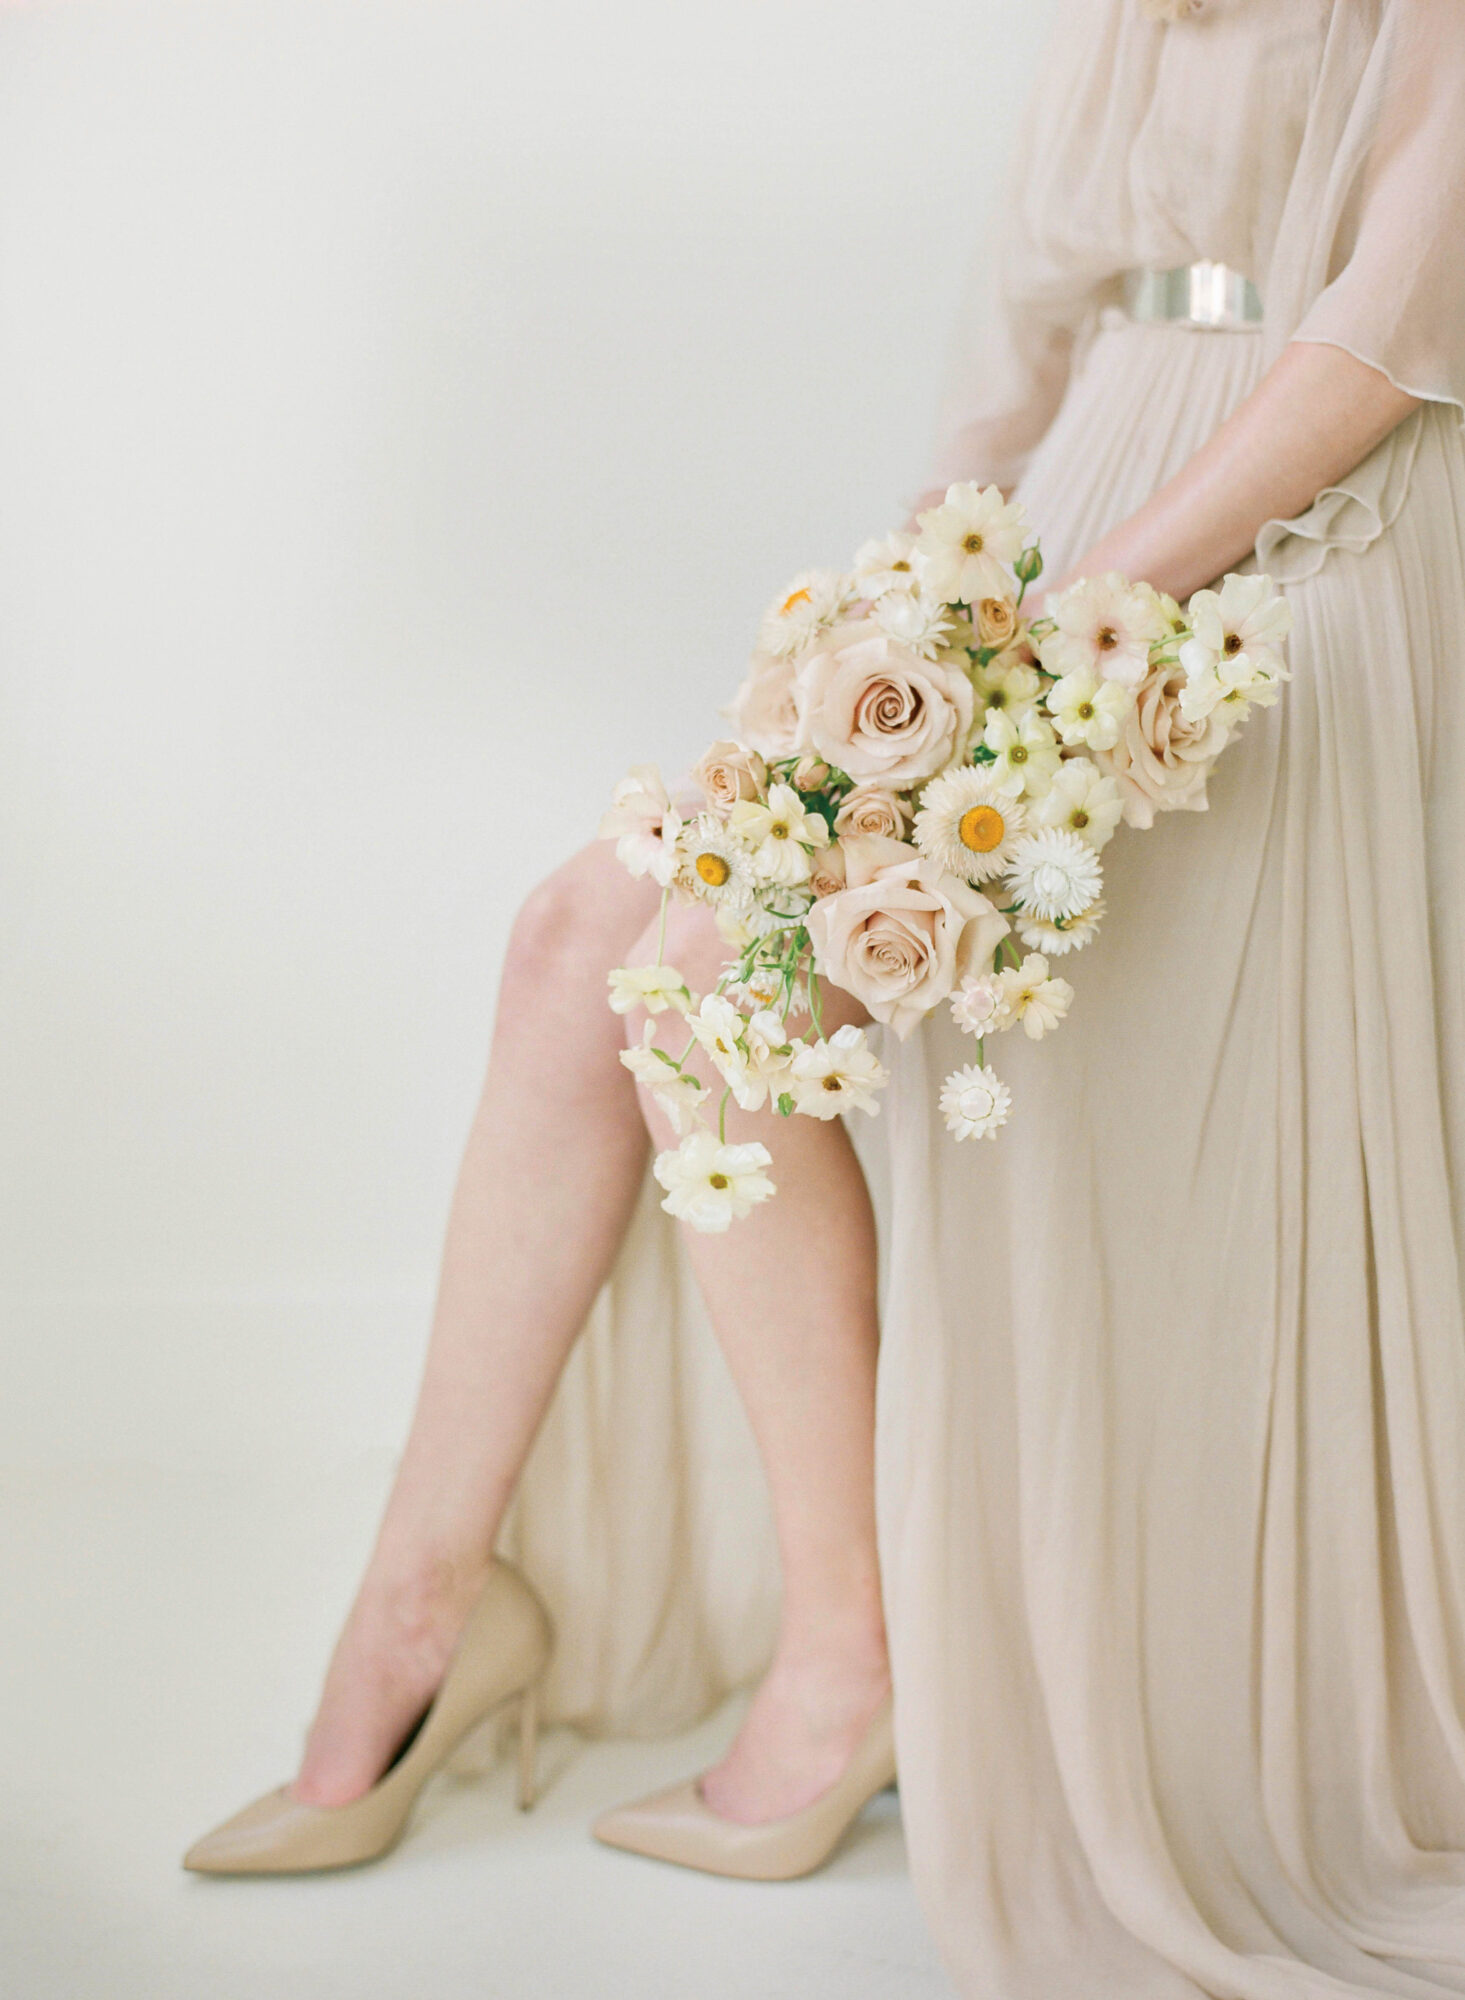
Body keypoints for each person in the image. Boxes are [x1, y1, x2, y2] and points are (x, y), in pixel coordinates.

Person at [189, 0, 1465, 1988]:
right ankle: (421, 1609)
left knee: (713, 963)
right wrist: (867, 663)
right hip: (1061, 558)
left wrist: (1058, 629)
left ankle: (849, 1647)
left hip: (1296, 585)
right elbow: (1018, 351)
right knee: (578, 932)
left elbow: (1374, 352)